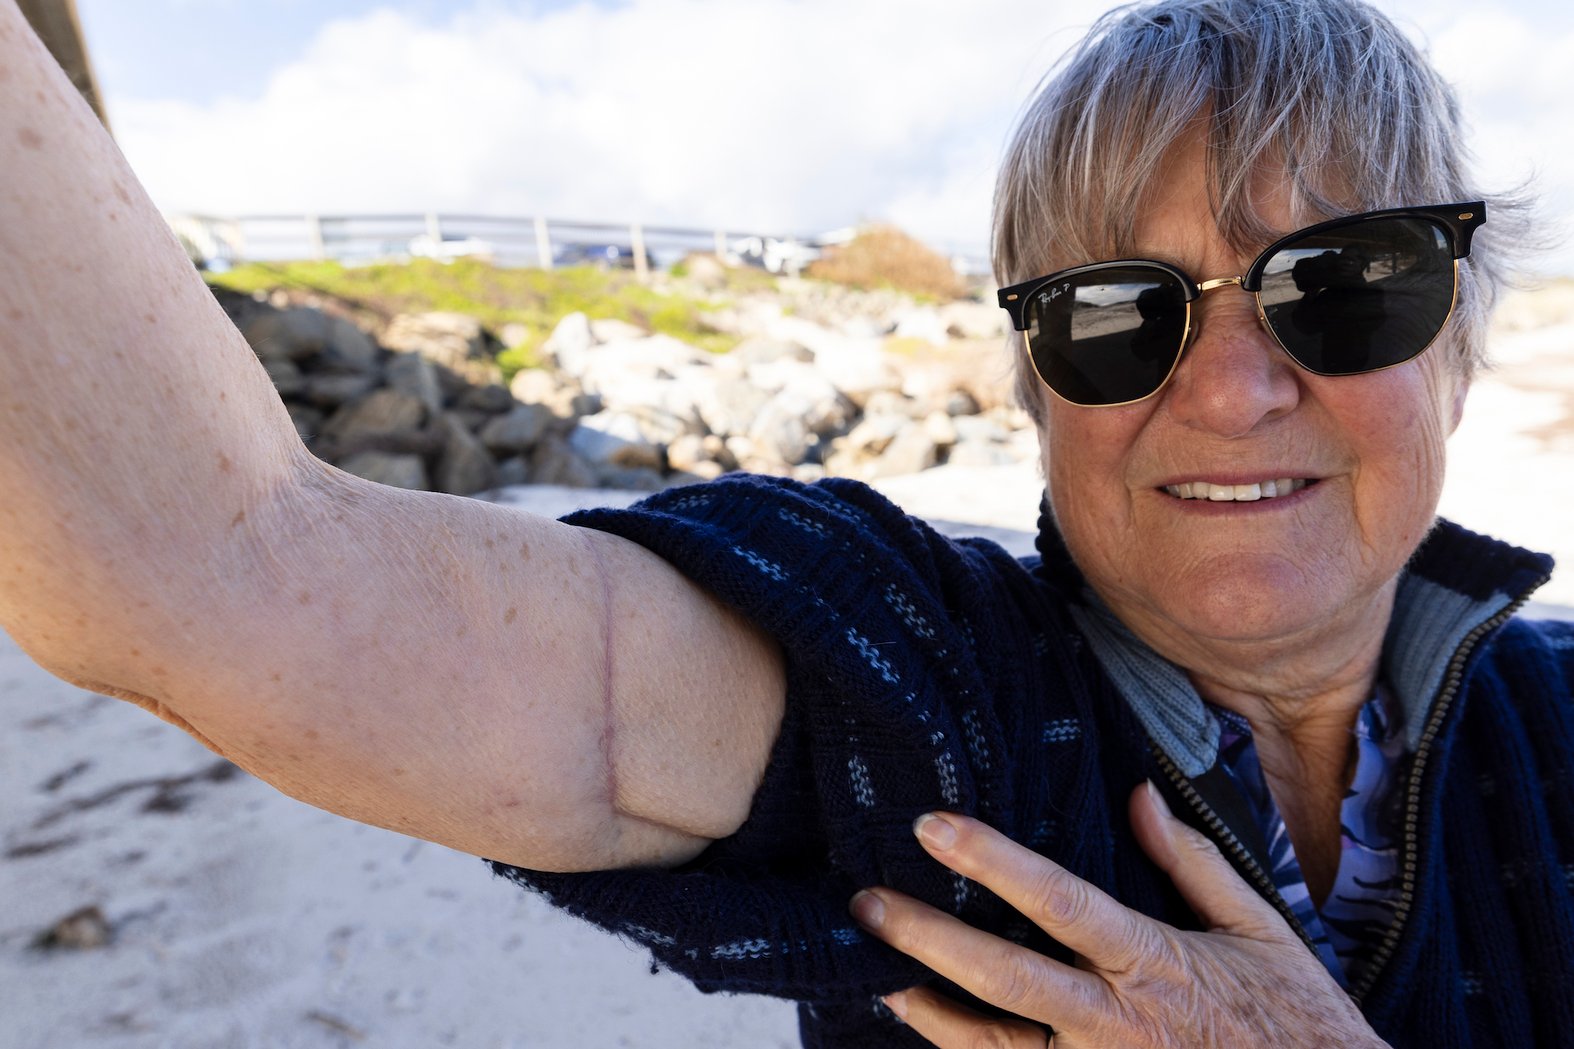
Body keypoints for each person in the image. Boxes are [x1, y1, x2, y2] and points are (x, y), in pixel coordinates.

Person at [2, 0, 1571, 1046]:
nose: (1231, 387)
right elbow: (227, 574)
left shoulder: (1562, 730)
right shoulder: (930, 694)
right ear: (1037, 383)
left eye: (1345, 284)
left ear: (1459, 332)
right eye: (1114, 314)